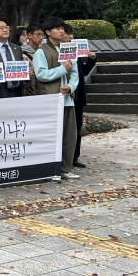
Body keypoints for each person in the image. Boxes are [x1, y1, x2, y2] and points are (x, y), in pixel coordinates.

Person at [33, 17, 80, 182]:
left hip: (67, 99)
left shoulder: (68, 49)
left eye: (62, 29)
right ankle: (51, 170)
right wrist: (62, 69)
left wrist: (71, 87)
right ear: (48, 32)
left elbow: (75, 74)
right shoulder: (41, 51)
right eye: (58, 28)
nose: (61, 31)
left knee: (69, 137)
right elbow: (41, 74)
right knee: (52, 137)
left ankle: (65, 169)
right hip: (51, 100)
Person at [63, 24, 97, 169]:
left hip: (77, 97)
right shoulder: (56, 52)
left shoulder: (75, 53)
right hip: (64, 94)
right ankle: (63, 159)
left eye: (72, 34)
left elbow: (83, 72)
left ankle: (74, 157)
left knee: (76, 128)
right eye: (68, 33)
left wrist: (92, 59)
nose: (71, 37)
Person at [0, 18, 24, 98]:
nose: (5, 30)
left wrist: (25, 72)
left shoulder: (17, 48)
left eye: (6, 27)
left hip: (18, 91)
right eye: (1, 28)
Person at [21, 22, 43, 96]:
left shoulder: (43, 52)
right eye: (38, 34)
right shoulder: (22, 54)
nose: (41, 38)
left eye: (42, 35)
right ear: (29, 35)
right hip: (29, 94)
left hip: (42, 93)